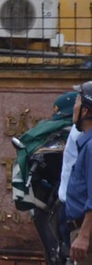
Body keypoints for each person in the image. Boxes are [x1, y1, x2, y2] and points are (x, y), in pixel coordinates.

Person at [65, 81, 92, 264]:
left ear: (84, 111)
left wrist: (83, 235)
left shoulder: (91, 147)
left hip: (87, 237)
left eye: (77, 101)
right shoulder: (85, 143)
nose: (73, 107)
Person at [55, 91, 81, 253]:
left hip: (78, 215)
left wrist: (84, 233)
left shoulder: (85, 137)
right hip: (68, 208)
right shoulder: (77, 131)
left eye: (78, 102)